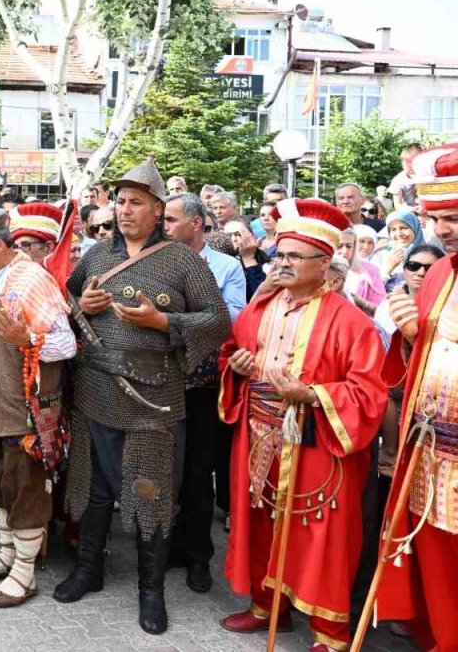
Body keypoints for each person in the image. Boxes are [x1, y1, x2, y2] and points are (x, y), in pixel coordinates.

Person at [57, 158, 231, 635]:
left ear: (158, 209)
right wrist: (82, 308)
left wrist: (163, 323)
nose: (125, 209)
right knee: (93, 491)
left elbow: (218, 321)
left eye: (136, 202)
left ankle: (150, 592)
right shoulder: (95, 255)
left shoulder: (182, 260)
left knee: (150, 494)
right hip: (95, 389)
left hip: (153, 397)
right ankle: (88, 570)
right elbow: (66, 307)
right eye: (120, 201)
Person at [218, 198, 386, 651]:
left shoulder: (351, 322)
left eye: (294, 256)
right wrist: (236, 364)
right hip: (257, 433)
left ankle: (330, 634)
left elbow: (370, 392)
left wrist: (312, 394)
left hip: (316, 439)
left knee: (321, 535)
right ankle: (266, 606)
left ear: (324, 263)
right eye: (280, 254)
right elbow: (231, 350)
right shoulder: (261, 307)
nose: (282, 263)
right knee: (260, 521)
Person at [0, 209, 76, 606]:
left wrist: (27, 338)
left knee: (25, 483)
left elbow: (66, 345)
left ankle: (25, 574)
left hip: (24, 406)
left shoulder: (31, 280)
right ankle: (8, 553)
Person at [374, 142, 458, 650]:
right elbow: (420, 360)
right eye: (435, 218)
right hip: (432, 450)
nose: (443, 230)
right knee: (438, 568)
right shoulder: (440, 273)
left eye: (453, 216)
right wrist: (409, 337)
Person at [162, 194, 246, 594]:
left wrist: (175, 316)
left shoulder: (227, 266)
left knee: (197, 474)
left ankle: (197, 557)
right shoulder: (155, 261)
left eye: (172, 219)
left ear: (196, 223)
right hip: (160, 383)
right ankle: (167, 548)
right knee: (163, 473)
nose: (165, 226)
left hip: (203, 388)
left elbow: (231, 318)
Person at [370, 209, 425, 292]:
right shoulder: (379, 255)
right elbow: (370, 291)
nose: (399, 234)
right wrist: (387, 269)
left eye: (404, 228)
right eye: (393, 230)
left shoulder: (429, 254)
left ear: (415, 228)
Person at [337, 228, 386, 315]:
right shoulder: (317, 268)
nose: (344, 251)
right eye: (339, 246)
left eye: (349, 246)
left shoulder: (371, 270)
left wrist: (362, 303)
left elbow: (382, 310)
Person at [388, 143, 422, 213]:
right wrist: (413, 209)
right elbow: (398, 205)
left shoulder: (428, 175)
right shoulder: (398, 180)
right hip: (410, 214)